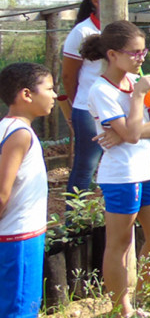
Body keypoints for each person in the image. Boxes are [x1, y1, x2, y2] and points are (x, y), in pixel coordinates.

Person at [80, 20, 150, 317]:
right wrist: (138, 99)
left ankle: (147, 299)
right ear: (112, 54)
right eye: (134, 53)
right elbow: (134, 133)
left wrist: (123, 131)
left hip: (147, 171)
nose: (140, 58)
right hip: (121, 177)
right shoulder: (101, 91)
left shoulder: (135, 81)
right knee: (119, 244)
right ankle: (122, 308)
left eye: (143, 52)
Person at [0, 63, 56, 318]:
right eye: (50, 88)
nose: (55, 95)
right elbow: (2, 192)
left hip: (13, 237)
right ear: (26, 94)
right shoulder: (20, 134)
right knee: (19, 309)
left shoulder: (6, 128)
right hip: (19, 238)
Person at [62, 0, 104, 195]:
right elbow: (68, 76)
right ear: (95, 1)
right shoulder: (82, 31)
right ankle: (75, 225)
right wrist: (77, 104)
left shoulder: (120, 30)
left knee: (114, 165)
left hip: (117, 106)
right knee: (86, 167)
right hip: (88, 109)